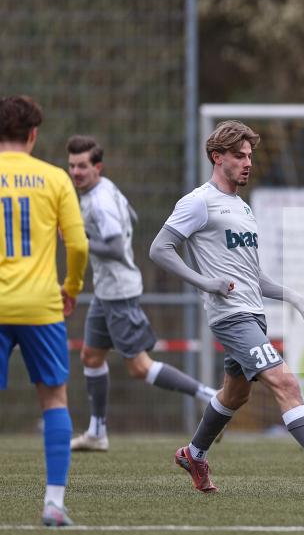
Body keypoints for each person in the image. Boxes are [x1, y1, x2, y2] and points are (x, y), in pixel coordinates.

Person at [149, 120, 304, 495]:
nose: (247, 163)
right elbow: (159, 249)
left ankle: (194, 453)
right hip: (231, 316)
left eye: (250, 156)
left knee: (235, 395)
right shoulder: (198, 202)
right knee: (284, 381)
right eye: (239, 156)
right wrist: (205, 283)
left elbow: (253, 276)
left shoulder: (242, 208)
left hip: (253, 312)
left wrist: (292, 296)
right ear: (217, 157)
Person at [66, 136, 217, 451]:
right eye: (72, 166)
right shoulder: (105, 188)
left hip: (119, 292)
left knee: (139, 367)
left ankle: (210, 397)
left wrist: (77, 238)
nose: (76, 172)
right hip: (106, 291)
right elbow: (131, 218)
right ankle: (96, 432)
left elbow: (115, 246)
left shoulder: (99, 200)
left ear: (97, 167)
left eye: (82, 166)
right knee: (91, 356)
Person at [0, 96, 89, 526]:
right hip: (41, 305)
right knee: (54, 399)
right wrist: (70, 288)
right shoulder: (55, 179)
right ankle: (54, 504)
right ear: (33, 135)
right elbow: (78, 245)